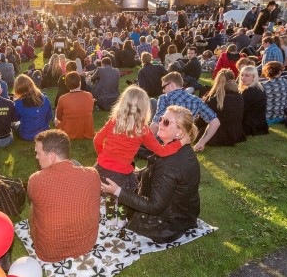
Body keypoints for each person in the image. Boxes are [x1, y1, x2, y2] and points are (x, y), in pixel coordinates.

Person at [101, 106, 200, 243]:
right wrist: (133, 174)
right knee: (123, 180)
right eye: (161, 119)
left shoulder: (170, 165)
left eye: (166, 122)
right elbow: (153, 172)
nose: (160, 123)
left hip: (163, 225)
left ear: (179, 132)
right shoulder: (180, 150)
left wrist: (118, 191)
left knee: (115, 193)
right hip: (183, 217)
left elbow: (154, 206)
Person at [94, 86, 186, 229]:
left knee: (109, 195)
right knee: (123, 196)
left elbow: (97, 140)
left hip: (103, 168)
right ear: (144, 108)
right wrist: (180, 143)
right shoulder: (143, 129)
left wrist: (101, 155)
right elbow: (161, 151)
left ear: (123, 103)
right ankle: (120, 221)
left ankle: (110, 220)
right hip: (122, 172)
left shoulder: (113, 121)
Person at [27, 129, 101, 262]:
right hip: (86, 245)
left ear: (52, 156)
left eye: (38, 153)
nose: (36, 157)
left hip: (48, 251)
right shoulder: (93, 175)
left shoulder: (35, 180)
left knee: (34, 205)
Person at [151, 72, 221, 152]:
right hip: (184, 143)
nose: (163, 90)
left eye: (164, 87)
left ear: (171, 85)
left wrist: (144, 140)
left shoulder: (164, 98)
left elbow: (155, 125)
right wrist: (201, 142)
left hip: (164, 140)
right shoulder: (196, 100)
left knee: (152, 102)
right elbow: (215, 122)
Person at [196, 69, 245, 146]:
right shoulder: (240, 96)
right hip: (235, 134)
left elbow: (201, 121)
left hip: (217, 136)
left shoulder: (214, 99)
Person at [55, 71, 94, 140]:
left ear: (66, 84)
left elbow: (59, 117)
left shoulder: (63, 98)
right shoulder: (89, 95)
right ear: (80, 83)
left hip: (68, 131)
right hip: (87, 131)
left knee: (56, 117)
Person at [13, 74, 52, 141]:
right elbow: (50, 117)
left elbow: (15, 118)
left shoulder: (18, 103)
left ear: (17, 89)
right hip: (44, 133)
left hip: (27, 135)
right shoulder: (45, 98)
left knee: (14, 124)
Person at [238, 65, 269, 136]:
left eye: (247, 75)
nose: (243, 78)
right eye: (242, 75)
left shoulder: (249, 91)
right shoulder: (259, 86)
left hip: (250, 125)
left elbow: (241, 110)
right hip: (259, 123)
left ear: (254, 77)